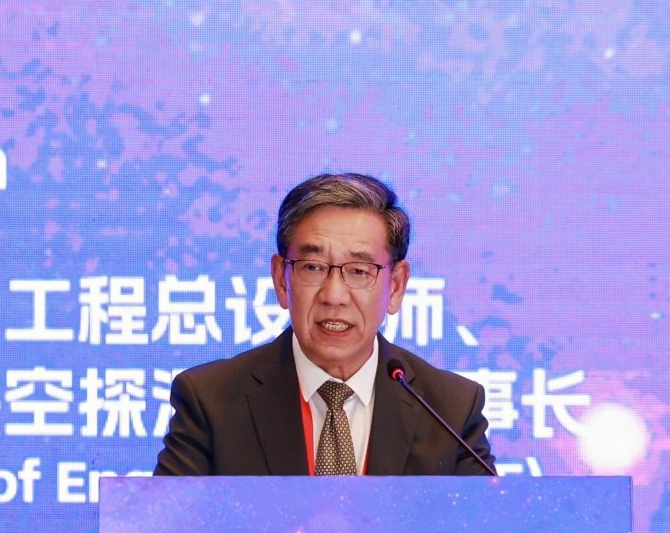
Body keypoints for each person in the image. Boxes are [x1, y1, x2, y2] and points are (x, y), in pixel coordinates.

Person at [153, 172, 494, 476]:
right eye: (313, 267)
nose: (334, 296)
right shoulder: (211, 402)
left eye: (359, 271)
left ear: (395, 286)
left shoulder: (450, 410)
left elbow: (487, 524)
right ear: (282, 279)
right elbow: (165, 524)